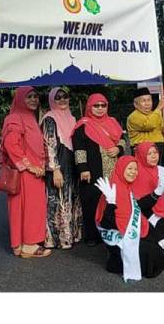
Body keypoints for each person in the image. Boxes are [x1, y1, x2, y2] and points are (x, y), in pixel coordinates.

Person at [94, 156, 164, 281]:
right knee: (150, 253)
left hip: (129, 233)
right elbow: (106, 224)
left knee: (157, 248)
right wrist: (111, 204)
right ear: (120, 169)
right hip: (117, 238)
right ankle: (116, 263)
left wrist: (158, 236)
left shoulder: (128, 188)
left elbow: (139, 217)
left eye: (135, 169)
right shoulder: (110, 191)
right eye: (129, 168)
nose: (133, 172)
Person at [0, 86, 51, 258]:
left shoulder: (29, 117)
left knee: (30, 208)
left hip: (34, 172)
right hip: (25, 173)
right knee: (29, 208)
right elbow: (10, 144)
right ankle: (28, 245)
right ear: (20, 98)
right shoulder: (15, 118)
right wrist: (29, 166)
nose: (34, 99)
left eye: (36, 96)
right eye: (29, 97)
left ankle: (23, 243)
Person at [72, 93, 126, 246]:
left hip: (113, 170)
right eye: (96, 106)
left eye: (103, 105)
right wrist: (83, 169)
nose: (100, 108)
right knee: (92, 202)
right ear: (89, 107)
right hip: (92, 171)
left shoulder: (113, 122)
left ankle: (111, 230)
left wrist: (119, 148)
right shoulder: (83, 126)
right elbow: (79, 150)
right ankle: (92, 236)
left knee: (112, 200)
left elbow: (122, 139)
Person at [40, 87, 82, 250]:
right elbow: (48, 145)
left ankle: (71, 235)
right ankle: (57, 238)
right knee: (58, 201)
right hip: (58, 165)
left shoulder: (71, 118)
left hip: (70, 163)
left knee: (70, 198)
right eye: (58, 98)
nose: (62, 100)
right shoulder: (50, 118)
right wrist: (55, 169)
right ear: (52, 100)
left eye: (65, 96)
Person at [126, 87, 164, 165]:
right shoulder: (133, 117)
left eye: (149, 100)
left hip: (158, 149)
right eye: (143, 101)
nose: (147, 103)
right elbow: (150, 125)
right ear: (135, 104)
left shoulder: (156, 114)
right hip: (142, 150)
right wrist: (159, 108)